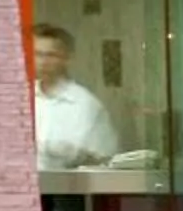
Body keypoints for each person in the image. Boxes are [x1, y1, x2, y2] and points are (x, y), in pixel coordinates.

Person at [31, 23, 121, 170]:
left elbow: (107, 161)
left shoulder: (86, 105)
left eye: (50, 55)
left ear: (66, 59)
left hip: (68, 190)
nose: (42, 62)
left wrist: (73, 154)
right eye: (37, 54)